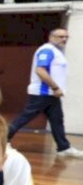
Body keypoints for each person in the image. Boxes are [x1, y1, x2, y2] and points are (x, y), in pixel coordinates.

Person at [7, 28, 83, 158]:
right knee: (25, 118)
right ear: (51, 37)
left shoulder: (56, 52)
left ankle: (63, 148)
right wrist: (55, 87)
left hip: (51, 94)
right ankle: (2, 141)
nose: (64, 39)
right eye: (60, 36)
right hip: (43, 93)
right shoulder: (47, 50)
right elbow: (40, 71)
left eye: (66, 37)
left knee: (57, 120)